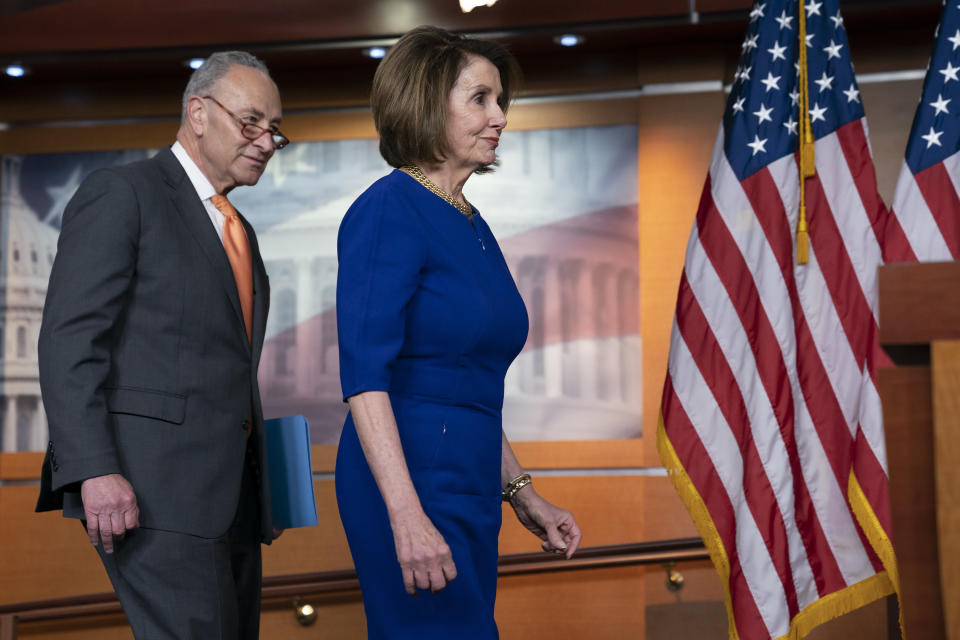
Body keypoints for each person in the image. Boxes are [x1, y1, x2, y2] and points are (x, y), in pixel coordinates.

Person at [335, 26, 583, 639]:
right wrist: (406, 515)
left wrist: (523, 494)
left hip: (471, 481)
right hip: (409, 480)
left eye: (501, 101)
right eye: (480, 99)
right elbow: (365, 379)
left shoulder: (471, 222)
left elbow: (469, 382)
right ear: (424, 104)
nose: (500, 117)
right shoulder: (387, 208)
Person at [35, 51, 288, 639]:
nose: (267, 141)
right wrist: (93, 469)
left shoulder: (237, 227)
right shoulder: (122, 193)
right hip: (150, 495)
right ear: (198, 113)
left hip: (235, 501)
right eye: (251, 122)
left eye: (275, 129)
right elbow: (69, 340)